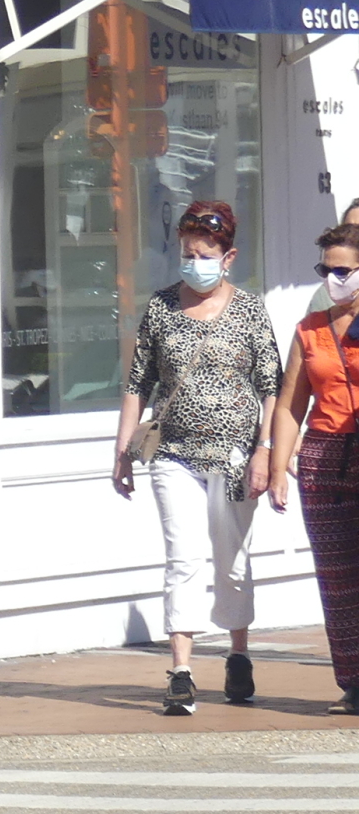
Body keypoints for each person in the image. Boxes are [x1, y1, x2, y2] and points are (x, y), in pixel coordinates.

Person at [111, 200, 280, 714]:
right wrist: (122, 451)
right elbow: (137, 383)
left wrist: (265, 451)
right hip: (175, 455)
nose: (194, 262)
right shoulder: (162, 306)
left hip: (235, 457)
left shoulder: (250, 310)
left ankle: (238, 653)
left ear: (228, 257)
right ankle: (181, 670)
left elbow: (271, 384)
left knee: (232, 561)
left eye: (204, 254)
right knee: (182, 558)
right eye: (187, 253)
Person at [269, 224, 359, 713]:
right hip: (325, 457)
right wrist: (279, 466)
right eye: (326, 269)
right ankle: (353, 682)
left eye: (343, 270)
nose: (333, 278)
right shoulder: (310, 329)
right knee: (338, 577)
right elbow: (289, 404)